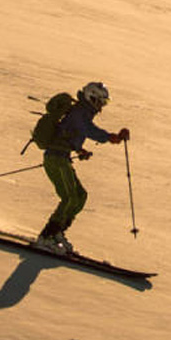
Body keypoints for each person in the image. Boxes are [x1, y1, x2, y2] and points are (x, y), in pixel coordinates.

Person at [34, 81, 129, 254]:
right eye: (101, 102)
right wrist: (110, 137)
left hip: (61, 157)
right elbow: (88, 130)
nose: (101, 106)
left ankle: (57, 232)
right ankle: (46, 237)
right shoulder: (80, 112)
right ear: (91, 98)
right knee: (69, 197)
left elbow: (70, 132)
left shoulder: (82, 112)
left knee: (80, 196)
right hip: (56, 159)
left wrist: (79, 149)